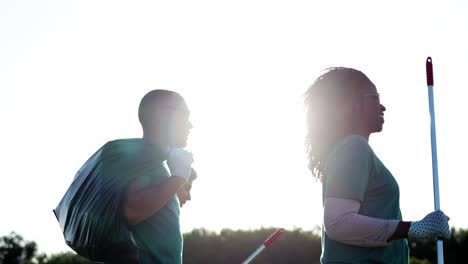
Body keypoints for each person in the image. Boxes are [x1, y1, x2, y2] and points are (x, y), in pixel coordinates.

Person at [303, 67, 451, 263]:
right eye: (374, 98)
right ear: (352, 104)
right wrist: (412, 228)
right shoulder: (354, 147)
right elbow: (338, 223)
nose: (382, 107)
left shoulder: (350, 149)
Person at [120, 89, 195, 264]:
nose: (190, 125)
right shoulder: (143, 158)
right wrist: (178, 177)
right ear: (163, 115)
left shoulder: (157, 162)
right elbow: (132, 211)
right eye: (185, 115)